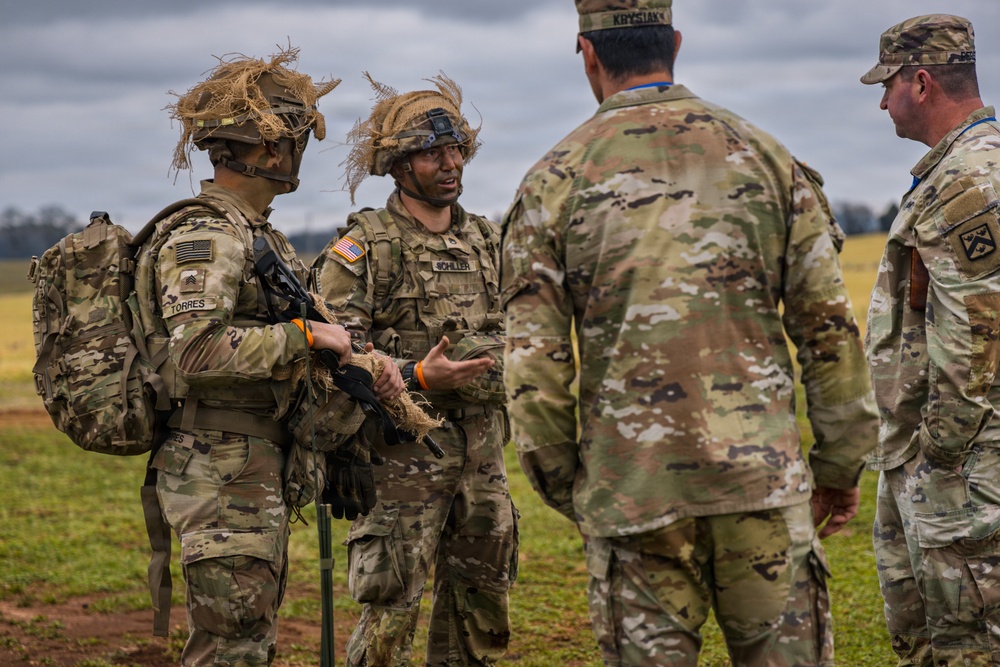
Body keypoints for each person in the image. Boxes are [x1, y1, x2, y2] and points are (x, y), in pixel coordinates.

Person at [500, 1, 879, 665]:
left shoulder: (554, 180)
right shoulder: (767, 158)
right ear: (674, 42)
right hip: (761, 487)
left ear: (587, 54)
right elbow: (829, 331)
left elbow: (533, 366)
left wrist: (574, 487)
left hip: (634, 491)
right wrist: (840, 465)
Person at [139, 48, 402, 666]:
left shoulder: (256, 233)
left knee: (248, 641)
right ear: (270, 149)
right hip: (221, 475)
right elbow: (195, 351)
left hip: (247, 470)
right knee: (232, 649)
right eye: (296, 139)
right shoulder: (208, 236)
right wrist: (306, 338)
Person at [311, 73, 518, 667]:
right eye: (432, 154)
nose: (450, 164)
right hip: (400, 460)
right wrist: (417, 376)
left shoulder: (487, 240)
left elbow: (525, 328)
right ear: (398, 166)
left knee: (482, 615)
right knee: (389, 621)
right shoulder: (364, 247)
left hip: (484, 458)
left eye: (456, 150)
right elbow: (335, 355)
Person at [861, 14, 1000, 666]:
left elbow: (978, 339)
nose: (882, 103)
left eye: (887, 84)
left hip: (961, 468)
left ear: (920, 82)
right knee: (928, 638)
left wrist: (937, 454)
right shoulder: (953, 172)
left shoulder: (970, 180)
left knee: (967, 643)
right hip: (932, 457)